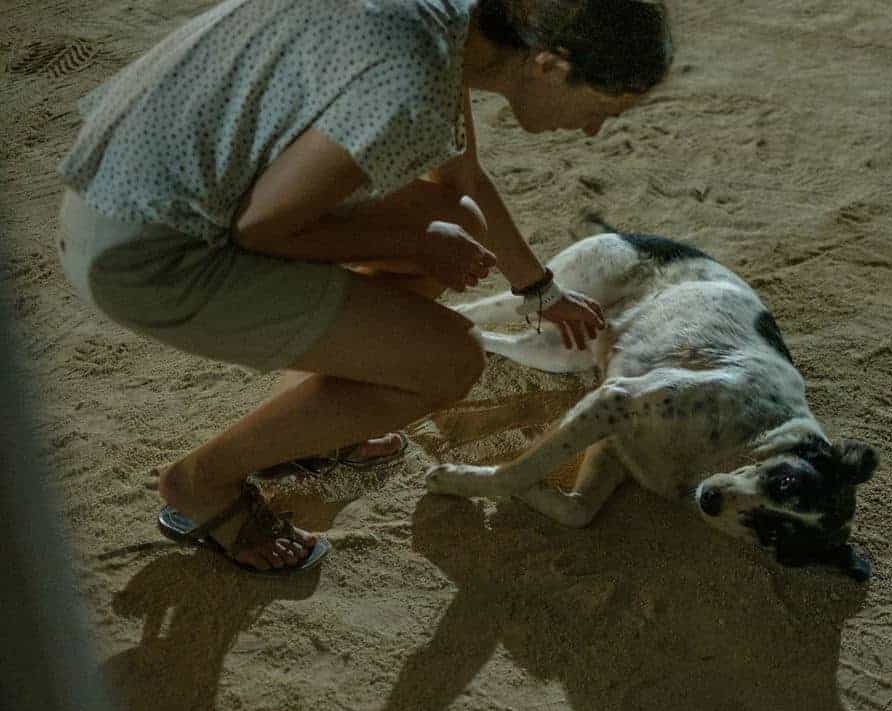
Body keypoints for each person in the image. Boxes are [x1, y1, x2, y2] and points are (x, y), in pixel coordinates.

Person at [56, 0, 673, 574]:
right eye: (604, 108)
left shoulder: (449, 21)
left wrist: (540, 291)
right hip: (147, 253)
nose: (594, 132)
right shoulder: (413, 86)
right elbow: (262, 228)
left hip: (116, 190)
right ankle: (202, 484)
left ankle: (309, 429)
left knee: (456, 218)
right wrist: (411, 245)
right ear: (549, 65)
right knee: (450, 362)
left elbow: (462, 180)